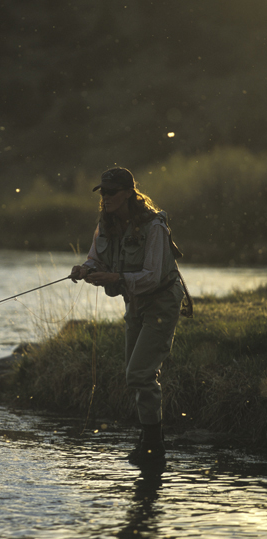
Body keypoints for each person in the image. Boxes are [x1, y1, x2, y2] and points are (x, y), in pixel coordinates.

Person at [70, 167, 188, 465]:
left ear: (128, 194)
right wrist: (84, 269)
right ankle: (151, 441)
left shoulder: (154, 227)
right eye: (103, 193)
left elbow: (152, 276)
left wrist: (114, 277)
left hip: (161, 301)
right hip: (134, 303)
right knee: (135, 375)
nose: (106, 198)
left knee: (139, 374)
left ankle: (153, 446)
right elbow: (94, 257)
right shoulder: (106, 224)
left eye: (111, 192)